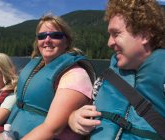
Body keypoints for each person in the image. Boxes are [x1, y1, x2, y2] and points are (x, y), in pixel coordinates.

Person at [69, 0, 165, 139]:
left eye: (116, 33)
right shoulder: (107, 77)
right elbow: (89, 108)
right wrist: (74, 118)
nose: (109, 43)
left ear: (145, 35)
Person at [1, 14, 96, 140]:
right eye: (42, 36)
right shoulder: (36, 67)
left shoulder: (75, 75)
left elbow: (52, 130)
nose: (47, 40)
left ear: (66, 41)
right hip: (12, 134)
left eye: (55, 35)